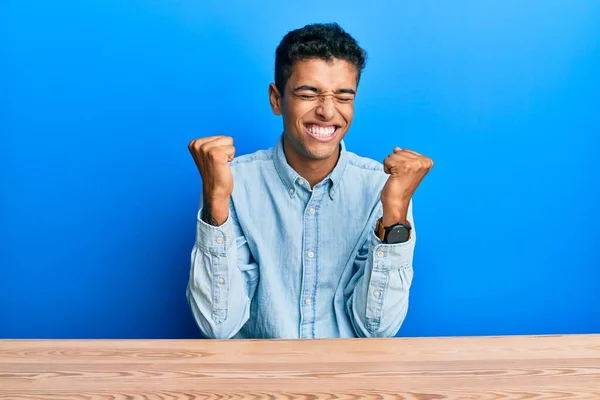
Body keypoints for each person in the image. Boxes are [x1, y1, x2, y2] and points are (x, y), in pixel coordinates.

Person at [186, 22, 433, 339]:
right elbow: (217, 325)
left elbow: (376, 330)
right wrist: (216, 200)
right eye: (308, 93)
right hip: (261, 384)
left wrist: (395, 211)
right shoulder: (231, 182)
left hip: (349, 384)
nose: (328, 111)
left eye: (343, 96)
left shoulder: (384, 188)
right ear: (277, 100)